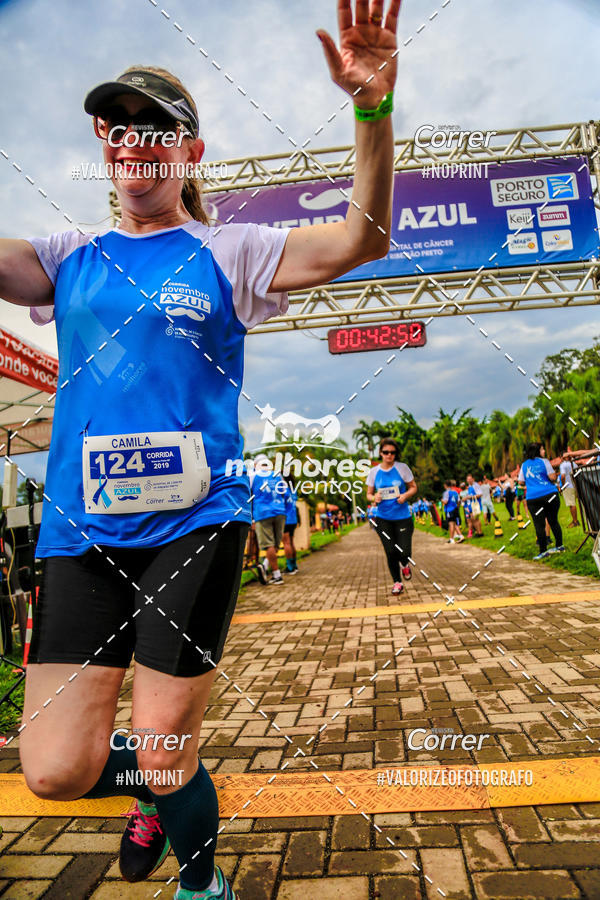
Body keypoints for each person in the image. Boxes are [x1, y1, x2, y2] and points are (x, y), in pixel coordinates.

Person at [5, 6, 401, 897]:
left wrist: (373, 113)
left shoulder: (230, 250)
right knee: (54, 772)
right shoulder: (72, 256)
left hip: (195, 525)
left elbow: (361, 240)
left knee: (168, 752)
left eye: (158, 128)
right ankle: (152, 777)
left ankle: (204, 879)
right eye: (119, 128)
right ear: (105, 147)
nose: (136, 144)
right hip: (82, 539)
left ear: (191, 151)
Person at [366, 437, 417, 595]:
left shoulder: (402, 468)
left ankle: (405, 564)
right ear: (380, 453)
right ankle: (397, 582)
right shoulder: (374, 472)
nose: (389, 455)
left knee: (404, 551)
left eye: (393, 453)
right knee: (390, 551)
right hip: (383, 518)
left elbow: (413, 487)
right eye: (386, 452)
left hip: (402, 517)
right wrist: (374, 497)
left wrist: (405, 496)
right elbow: (368, 494)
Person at [518, 442, 565, 560]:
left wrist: (531, 480)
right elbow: (552, 477)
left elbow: (520, 482)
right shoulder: (544, 461)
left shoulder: (524, 465)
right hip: (550, 495)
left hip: (533, 498)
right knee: (553, 521)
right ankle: (560, 546)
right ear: (538, 451)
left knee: (539, 525)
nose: (544, 451)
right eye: (543, 449)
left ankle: (543, 551)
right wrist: (554, 474)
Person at [251, 457, 287, 586]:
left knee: (268, 545)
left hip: (263, 512)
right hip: (280, 511)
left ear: (256, 464)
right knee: (276, 544)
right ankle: (265, 565)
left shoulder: (253, 475)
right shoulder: (277, 475)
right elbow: (284, 493)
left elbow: (247, 495)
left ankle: (277, 575)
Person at [282, 478, 299, 574]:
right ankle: (294, 565)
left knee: (286, 543)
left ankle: (290, 567)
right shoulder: (293, 491)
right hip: (293, 519)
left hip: (286, 519)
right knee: (291, 542)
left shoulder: (284, 490)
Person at [559, 452, 580, 528]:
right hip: (575, 486)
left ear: (562, 457)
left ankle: (575, 521)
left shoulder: (563, 465)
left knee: (571, 504)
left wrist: (563, 485)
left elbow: (563, 476)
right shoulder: (573, 463)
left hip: (568, 486)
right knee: (578, 504)